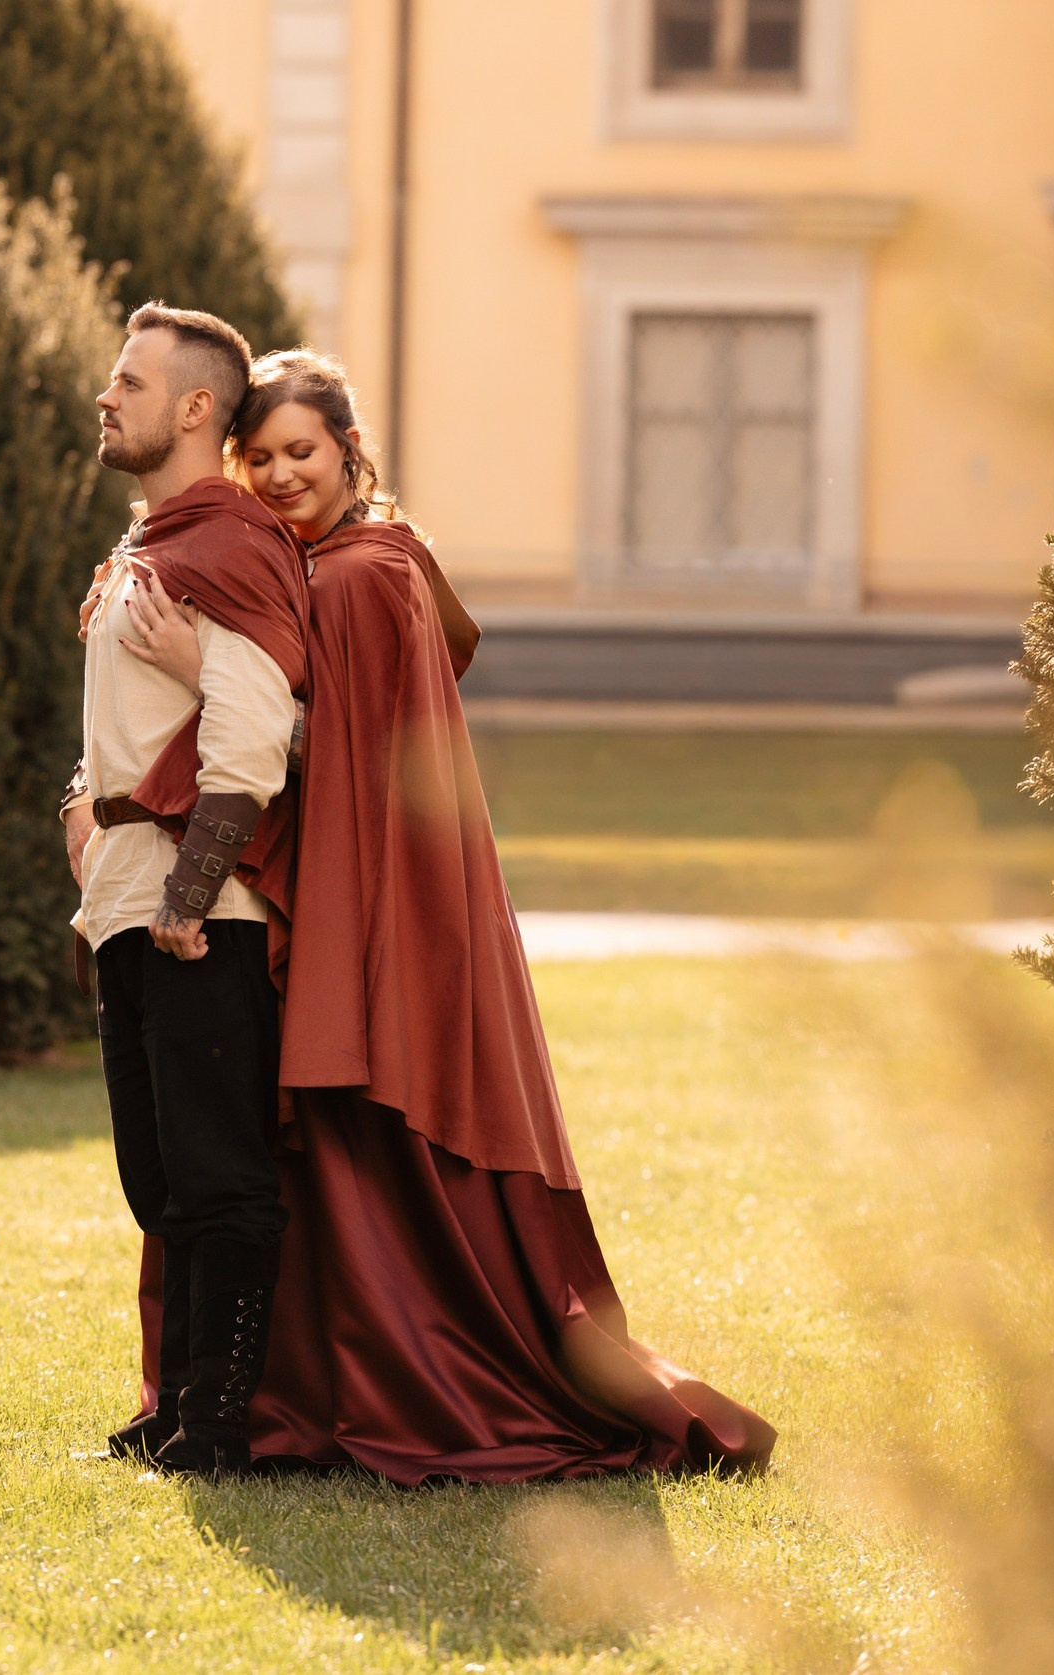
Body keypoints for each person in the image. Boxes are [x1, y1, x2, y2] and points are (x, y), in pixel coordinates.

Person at [122, 349, 776, 1482]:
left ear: (349, 452)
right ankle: (258, 1393)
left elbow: (346, 751)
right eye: (259, 457)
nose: (280, 476)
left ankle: (361, 1384)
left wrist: (196, 671)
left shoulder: (361, 575)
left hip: (370, 896)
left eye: (302, 453)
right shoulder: (322, 565)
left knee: (348, 1147)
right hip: (327, 887)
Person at [63, 304, 309, 1477]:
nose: (106, 396)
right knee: (156, 1177)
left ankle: (215, 1425)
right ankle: (177, 1404)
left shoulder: (230, 544)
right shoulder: (149, 546)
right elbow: (122, 724)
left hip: (194, 913)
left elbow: (257, 733)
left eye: (129, 380)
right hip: (123, 895)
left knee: (219, 1176)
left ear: (196, 407)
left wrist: (188, 892)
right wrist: (78, 804)